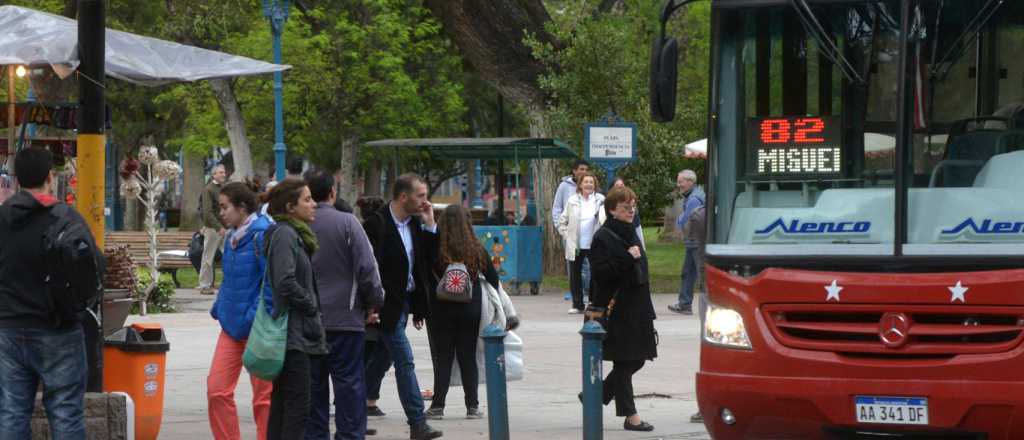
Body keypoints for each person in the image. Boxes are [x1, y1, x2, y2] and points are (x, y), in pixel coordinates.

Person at [0, 147, 101, 440]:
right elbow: (93, 269)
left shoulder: (2, 218)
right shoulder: (66, 218)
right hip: (58, 329)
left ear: (16, 180)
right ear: (50, 177)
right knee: (65, 411)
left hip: (8, 330)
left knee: (11, 412)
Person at [361, 173, 443, 440]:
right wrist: (370, 305)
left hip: (405, 303)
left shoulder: (416, 224)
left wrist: (430, 225)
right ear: (403, 196)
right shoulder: (377, 224)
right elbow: (367, 267)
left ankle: (353, 400)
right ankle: (418, 422)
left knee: (382, 358)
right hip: (385, 303)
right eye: (421, 196)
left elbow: (427, 263)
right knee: (404, 360)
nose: (425, 201)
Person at [305, 172, 386, 440]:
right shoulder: (348, 223)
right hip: (345, 318)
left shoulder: (299, 226)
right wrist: (374, 303)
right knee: (349, 385)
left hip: (309, 321)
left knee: (314, 388)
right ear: (332, 191)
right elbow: (368, 268)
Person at [586, 186, 658, 432]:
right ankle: (631, 416)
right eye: (626, 207)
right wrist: (627, 257)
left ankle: (596, 395)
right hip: (618, 310)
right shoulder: (602, 237)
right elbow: (600, 274)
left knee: (637, 359)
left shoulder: (631, 232)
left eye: (633, 206)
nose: (631, 211)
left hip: (637, 308)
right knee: (625, 362)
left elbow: (641, 272)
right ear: (612, 210)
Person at [207, 181, 274, 440]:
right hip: (231, 327)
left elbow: (269, 283)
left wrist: (252, 316)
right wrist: (220, 307)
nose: (221, 213)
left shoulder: (262, 234)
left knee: (264, 399)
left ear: (242, 207)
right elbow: (229, 278)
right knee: (217, 391)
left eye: (225, 207)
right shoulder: (232, 236)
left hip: (256, 330)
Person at [263, 179, 329, 440]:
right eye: (307, 199)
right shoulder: (285, 235)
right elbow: (285, 282)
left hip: (299, 332)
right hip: (293, 336)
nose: (314, 205)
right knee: (296, 408)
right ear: (290, 207)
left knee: (285, 405)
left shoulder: (295, 234)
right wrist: (310, 303)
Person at [424, 205, 501, 420]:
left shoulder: (436, 247)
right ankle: (472, 406)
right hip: (470, 307)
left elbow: (424, 274)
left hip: (441, 308)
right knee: (468, 356)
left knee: (444, 357)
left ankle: (437, 406)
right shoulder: (476, 248)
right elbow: (494, 279)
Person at [557, 173, 606, 314]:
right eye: (586, 182)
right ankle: (577, 304)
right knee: (575, 275)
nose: (589, 184)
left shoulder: (601, 200)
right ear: (580, 185)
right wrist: (567, 236)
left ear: (595, 185)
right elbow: (562, 221)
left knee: (596, 273)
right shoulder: (572, 200)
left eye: (591, 182)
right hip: (577, 245)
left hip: (595, 244)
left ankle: (593, 302)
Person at [669, 169, 705, 315]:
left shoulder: (694, 199)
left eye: (681, 182)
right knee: (688, 273)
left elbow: (687, 219)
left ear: (690, 182)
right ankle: (684, 305)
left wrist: (679, 221)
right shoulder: (694, 195)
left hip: (696, 242)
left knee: (701, 275)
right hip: (694, 241)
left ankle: (710, 305)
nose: (678, 185)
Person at [200, 164, 229, 295]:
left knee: (229, 256)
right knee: (208, 258)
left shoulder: (225, 188)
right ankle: (205, 285)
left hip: (226, 228)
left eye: (224, 172)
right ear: (214, 175)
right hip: (213, 229)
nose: (223, 174)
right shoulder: (208, 189)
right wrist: (218, 227)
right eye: (221, 172)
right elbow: (207, 212)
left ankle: (229, 283)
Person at [612, 178, 646, 250]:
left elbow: (637, 228)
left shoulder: (632, 203)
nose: (620, 187)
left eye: (622, 185)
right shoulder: (607, 205)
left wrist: (641, 248)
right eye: (617, 185)